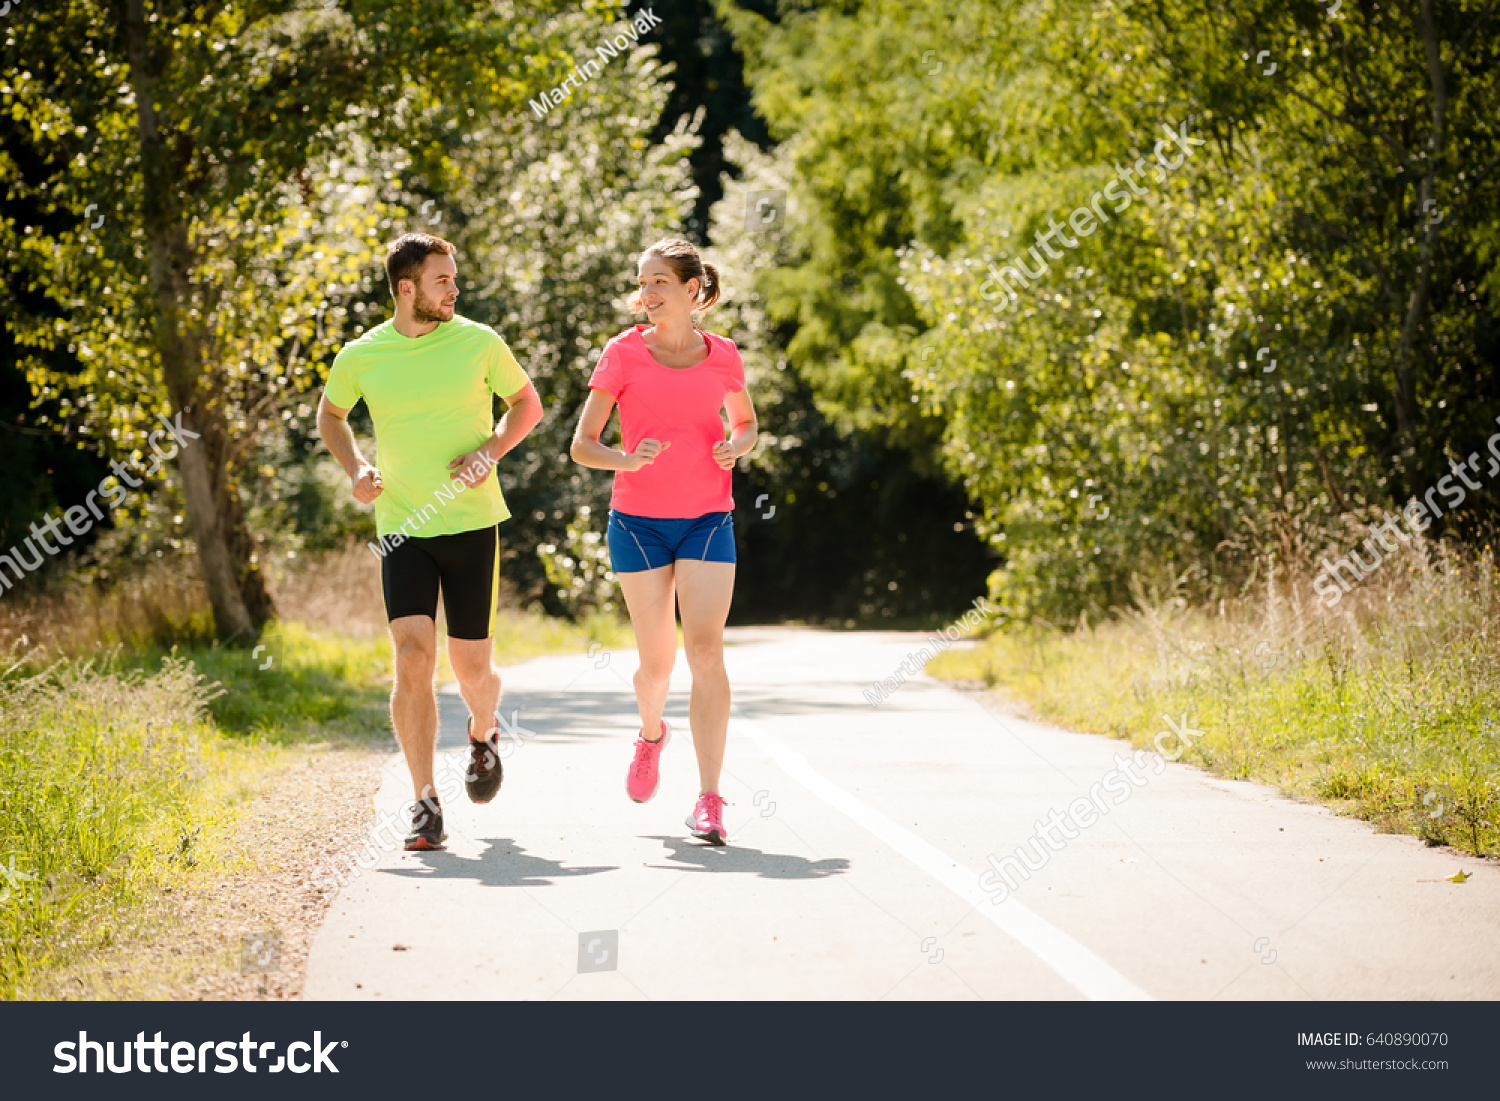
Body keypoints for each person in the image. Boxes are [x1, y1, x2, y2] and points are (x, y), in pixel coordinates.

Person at [318, 233, 543, 851]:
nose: (455, 289)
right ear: (407, 288)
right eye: (443, 280)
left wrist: (490, 451)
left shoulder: (479, 342)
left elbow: (528, 404)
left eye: (454, 279)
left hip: (471, 524)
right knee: (413, 658)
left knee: (473, 669)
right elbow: (330, 416)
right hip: (401, 529)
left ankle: (482, 731)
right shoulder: (363, 354)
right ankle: (423, 802)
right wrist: (356, 469)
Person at [569, 238, 758, 846]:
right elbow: (582, 444)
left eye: (659, 283)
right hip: (638, 525)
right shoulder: (622, 354)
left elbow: (746, 421)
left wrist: (738, 444)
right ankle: (652, 735)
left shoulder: (724, 355)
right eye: (643, 282)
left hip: (707, 517)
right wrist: (626, 458)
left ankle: (709, 798)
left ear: (692, 291)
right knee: (657, 665)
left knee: (705, 653)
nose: (646, 294)